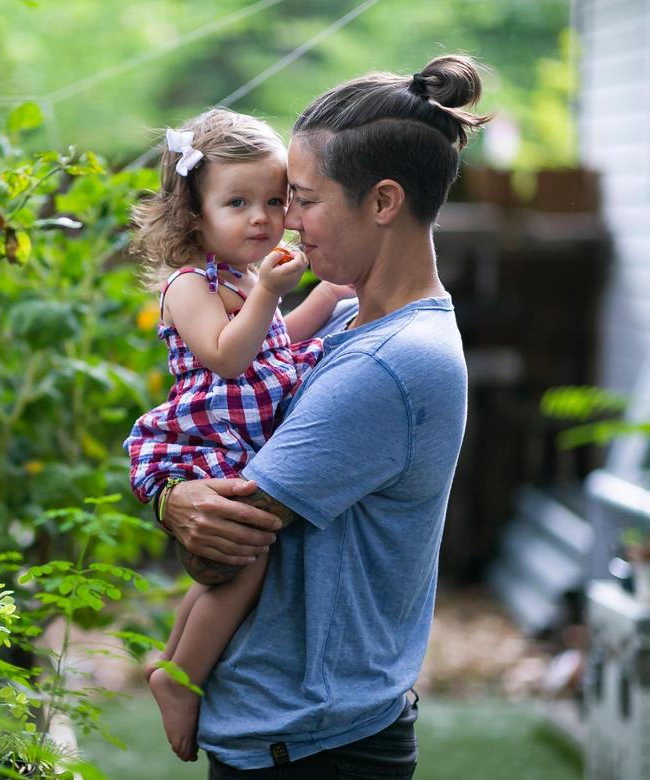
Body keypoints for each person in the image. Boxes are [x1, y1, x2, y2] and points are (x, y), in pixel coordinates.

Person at [155, 55, 489, 778]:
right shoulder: (347, 322)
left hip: (313, 747)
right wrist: (173, 493)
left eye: (300, 200)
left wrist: (176, 499)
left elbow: (216, 551)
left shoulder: (387, 364)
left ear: (383, 202)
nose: (285, 223)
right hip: (294, 732)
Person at [122, 107, 354, 762]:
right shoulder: (189, 286)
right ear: (195, 216)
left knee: (225, 570)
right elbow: (226, 355)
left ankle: (171, 663)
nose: (262, 217)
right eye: (237, 203)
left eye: (274, 200)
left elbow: (280, 342)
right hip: (208, 442)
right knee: (245, 568)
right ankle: (182, 679)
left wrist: (326, 297)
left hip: (241, 437)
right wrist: (270, 296)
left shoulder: (249, 279)